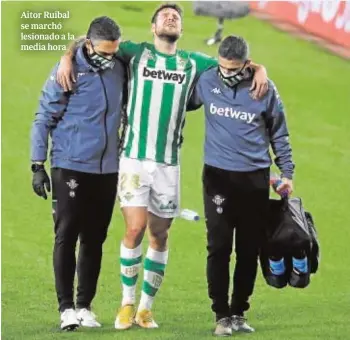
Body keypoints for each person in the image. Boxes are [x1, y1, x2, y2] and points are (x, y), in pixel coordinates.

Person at [56, 3, 269, 330]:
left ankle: (145, 308)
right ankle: (126, 303)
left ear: (180, 30)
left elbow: (233, 64)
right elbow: (91, 41)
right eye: (165, 16)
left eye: (176, 17)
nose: (171, 18)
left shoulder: (195, 63)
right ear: (153, 27)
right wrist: (68, 56)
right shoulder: (135, 53)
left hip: (169, 164)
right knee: (134, 228)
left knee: (160, 234)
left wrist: (260, 68)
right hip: (134, 160)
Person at [187, 35, 294, 336]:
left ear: (247, 65)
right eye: (223, 68)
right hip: (218, 177)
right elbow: (180, 102)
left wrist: (286, 172)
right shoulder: (207, 81)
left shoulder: (264, 89)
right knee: (219, 247)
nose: (227, 74)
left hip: (255, 179)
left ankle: (239, 312)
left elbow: (280, 134)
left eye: (234, 70)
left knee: (249, 249)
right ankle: (221, 314)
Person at [30, 16, 125, 331]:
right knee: (66, 235)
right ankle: (66, 308)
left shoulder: (119, 66)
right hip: (70, 164)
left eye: (114, 52)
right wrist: (37, 165)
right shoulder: (67, 71)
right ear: (88, 43)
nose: (109, 58)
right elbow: (43, 116)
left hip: (108, 168)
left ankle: (85, 306)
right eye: (103, 52)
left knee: (95, 239)